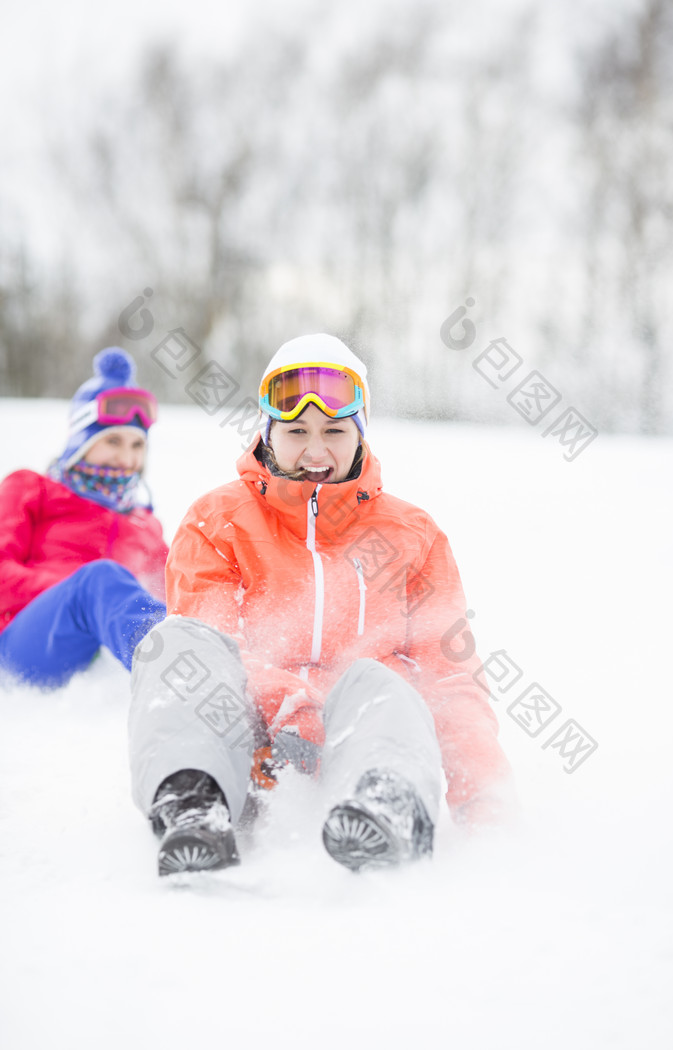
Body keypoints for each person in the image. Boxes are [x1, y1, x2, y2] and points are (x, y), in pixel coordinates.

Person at [129, 334, 515, 876]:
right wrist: (291, 704)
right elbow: (213, 636)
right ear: (267, 433)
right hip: (246, 736)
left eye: (335, 431)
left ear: (361, 435)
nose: (316, 451)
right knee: (176, 642)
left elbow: (449, 673)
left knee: (386, 681)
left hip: (354, 743)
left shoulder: (412, 535)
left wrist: (486, 801)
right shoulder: (217, 520)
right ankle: (194, 802)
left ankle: (386, 806)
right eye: (295, 432)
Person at [0, 347, 168, 689]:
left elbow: (176, 589)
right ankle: (175, 674)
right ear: (81, 441)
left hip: (94, 645)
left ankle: (221, 671)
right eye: (113, 441)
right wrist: (79, 594)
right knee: (100, 579)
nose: (126, 458)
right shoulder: (32, 488)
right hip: (22, 639)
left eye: (137, 445)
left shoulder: (143, 524)